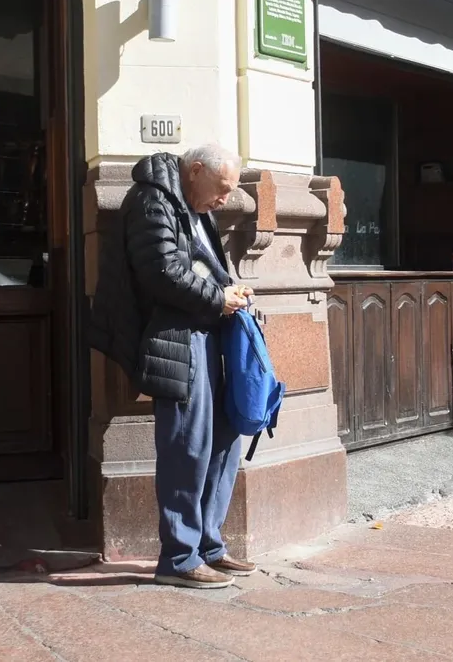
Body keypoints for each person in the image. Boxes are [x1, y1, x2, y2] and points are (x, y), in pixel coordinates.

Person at [90, 143, 256, 589]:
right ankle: (180, 558)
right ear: (195, 170)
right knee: (188, 447)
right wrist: (219, 299)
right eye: (222, 189)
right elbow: (161, 271)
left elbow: (201, 264)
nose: (225, 199)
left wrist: (231, 288)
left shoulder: (194, 203)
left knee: (223, 440)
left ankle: (209, 545)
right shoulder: (151, 199)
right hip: (176, 340)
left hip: (207, 333)